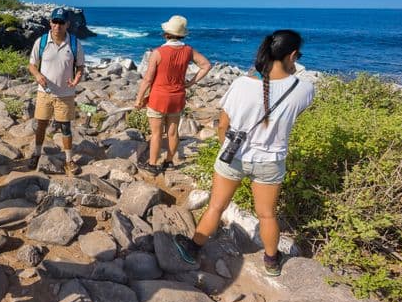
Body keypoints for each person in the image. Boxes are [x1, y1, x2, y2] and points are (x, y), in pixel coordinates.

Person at [176, 30, 315, 276]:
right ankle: (272, 261)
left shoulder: (241, 84)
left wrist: (224, 148)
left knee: (216, 207)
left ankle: (193, 248)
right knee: (267, 215)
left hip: (234, 156)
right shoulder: (303, 90)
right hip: (271, 161)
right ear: (293, 55)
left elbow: (222, 125)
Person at [134, 15, 212, 175]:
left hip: (158, 97)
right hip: (177, 97)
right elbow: (206, 65)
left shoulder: (158, 52)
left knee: (156, 133)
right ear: (182, 35)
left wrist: (139, 99)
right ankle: (169, 161)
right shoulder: (188, 51)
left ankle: (153, 164)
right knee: (173, 132)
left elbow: (148, 79)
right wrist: (190, 83)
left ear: (166, 34)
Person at [27, 7, 85, 175]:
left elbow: (80, 66)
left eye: (61, 22)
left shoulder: (74, 43)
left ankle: (69, 160)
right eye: (55, 21)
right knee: (41, 125)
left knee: (65, 127)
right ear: (50, 22)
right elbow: (31, 64)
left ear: (67, 24)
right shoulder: (42, 41)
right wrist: (37, 74)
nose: (57, 26)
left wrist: (76, 79)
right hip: (44, 92)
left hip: (65, 94)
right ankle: (37, 154)